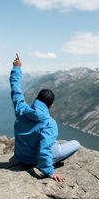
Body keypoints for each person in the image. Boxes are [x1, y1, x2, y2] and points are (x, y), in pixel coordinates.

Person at [10, 53, 80, 182]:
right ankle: (46, 161)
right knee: (75, 144)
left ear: (36, 98)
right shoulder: (49, 123)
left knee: (51, 142)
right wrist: (49, 172)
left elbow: (15, 89)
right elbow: (44, 148)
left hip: (20, 157)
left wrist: (17, 68)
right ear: (51, 105)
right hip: (33, 161)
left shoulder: (21, 109)